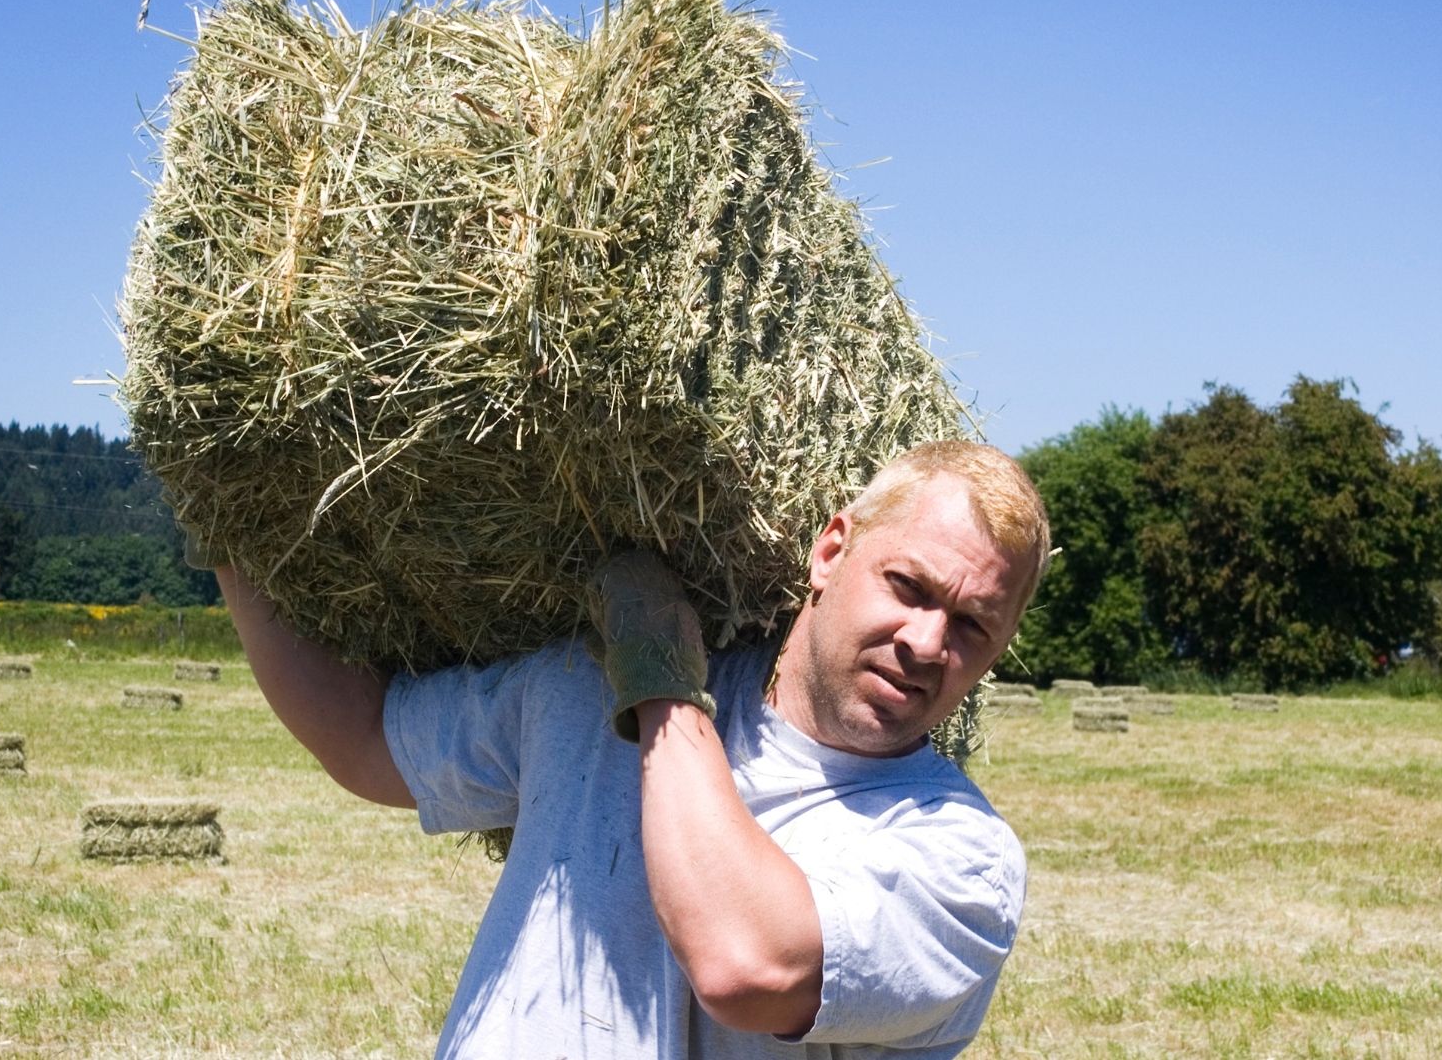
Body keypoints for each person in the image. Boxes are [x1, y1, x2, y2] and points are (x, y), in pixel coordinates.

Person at [212, 440, 1050, 1057]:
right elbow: (363, 738)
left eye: (973, 626)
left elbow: (745, 964)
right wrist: (224, 523)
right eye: (909, 587)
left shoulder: (959, 859)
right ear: (832, 550)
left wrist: (661, 683)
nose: (928, 643)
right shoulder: (585, 681)